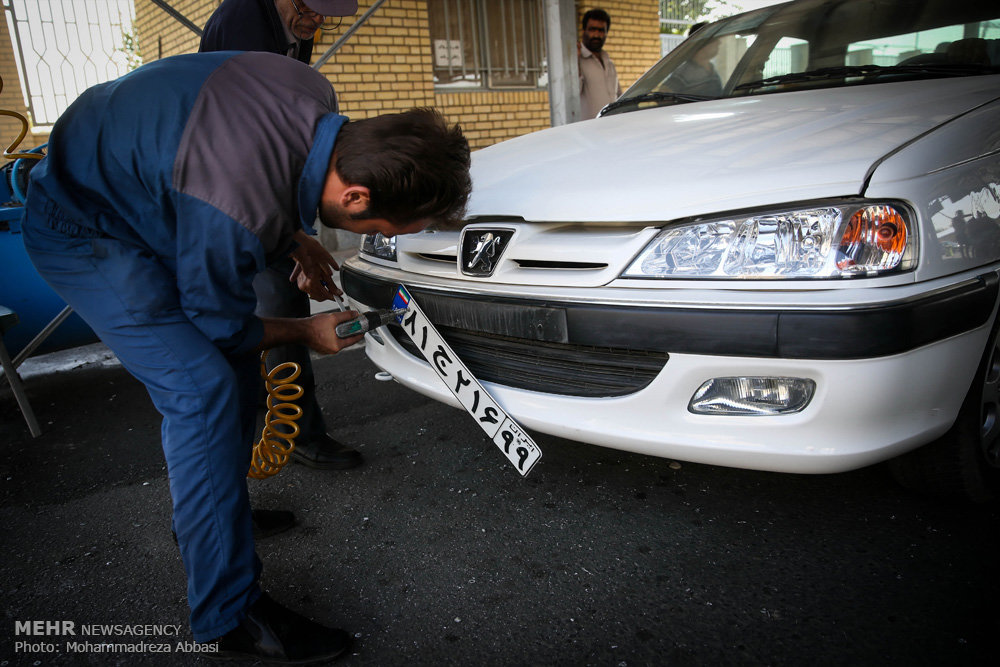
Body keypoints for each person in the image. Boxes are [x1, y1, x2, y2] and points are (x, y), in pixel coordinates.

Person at [21, 51, 471, 663]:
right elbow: (222, 322)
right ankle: (228, 615)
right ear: (357, 195)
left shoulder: (311, 89)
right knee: (200, 388)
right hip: (87, 230)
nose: (381, 239)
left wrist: (295, 237)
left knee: (231, 374)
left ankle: (212, 515)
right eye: (384, 230)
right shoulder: (234, 211)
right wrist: (305, 332)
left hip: (147, 191)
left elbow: (243, 161)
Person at [201, 0, 367, 479]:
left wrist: (298, 236)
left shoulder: (293, 26)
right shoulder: (243, 22)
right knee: (269, 313)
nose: (317, 20)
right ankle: (289, 434)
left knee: (276, 305)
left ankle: (277, 424)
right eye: (308, 7)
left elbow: (282, 144)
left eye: (325, 13)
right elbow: (248, 148)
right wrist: (293, 238)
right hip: (224, 197)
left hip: (256, 196)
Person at [578, 8, 620, 120]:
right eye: (592, 29)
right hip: (588, 128)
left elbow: (618, 96)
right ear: (584, 31)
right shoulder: (577, 61)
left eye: (601, 30)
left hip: (612, 125)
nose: (596, 35)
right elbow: (572, 94)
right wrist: (575, 60)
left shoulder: (609, 62)